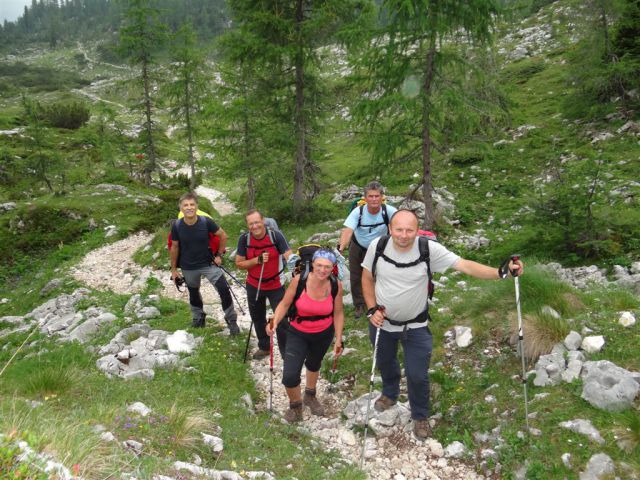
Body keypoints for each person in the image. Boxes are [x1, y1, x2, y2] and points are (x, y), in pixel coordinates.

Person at [361, 209, 523, 439]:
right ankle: (390, 393)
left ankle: (420, 416)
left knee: (418, 375)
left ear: (417, 231)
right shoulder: (377, 246)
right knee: (385, 362)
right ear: (390, 229)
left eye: (409, 230)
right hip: (382, 324)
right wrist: (371, 308)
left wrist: (501, 272)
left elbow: (465, 265)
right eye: (399, 229)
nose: (404, 235)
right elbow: (366, 278)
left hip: (416, 326)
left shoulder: (428, 249)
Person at [266, 249, 345, 422]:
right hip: (298, 332)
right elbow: (284, 304)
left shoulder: (335, 285)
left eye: (327, 267)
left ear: (333, 268)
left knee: (314, 364)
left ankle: (310, 395)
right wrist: (275, 320)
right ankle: (296, 406)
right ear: (312, 264)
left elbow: (338, 313)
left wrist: (338, 339)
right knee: (290, 375)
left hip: (323, 333)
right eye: (319, 265)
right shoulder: (299, 280)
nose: (323, 270)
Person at [170, 192, 240, 334]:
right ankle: (198, 319)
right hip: (188, 266)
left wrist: (219, 255)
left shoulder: (205, 222)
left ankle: (231, 321)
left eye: (192, 204)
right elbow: (174, 246)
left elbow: (223, 235)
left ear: (196, 206)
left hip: (209, 264)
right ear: (181, 208)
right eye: (186, 205)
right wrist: (173, 270)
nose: (189, 207)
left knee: (224, 290)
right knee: (193, 293)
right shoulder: (177, 226)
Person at [235, 209, 292, 359]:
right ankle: (265, 347)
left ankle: (286, 352)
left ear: (263, 221)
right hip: (254, 284)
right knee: (257, 317)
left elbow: (289, 256)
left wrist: (298, 268)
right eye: (251, 223)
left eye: (257, 222)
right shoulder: (244, 240)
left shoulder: (275, 236)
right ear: (248, 225)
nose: (255, 226)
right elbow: (239, 263)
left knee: (282, 318)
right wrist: (256, 260)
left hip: (275, 284)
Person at [337, 181, 397, 318]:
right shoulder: (358, 212)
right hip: (358, 246)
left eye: (377, 196)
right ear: (365, 198)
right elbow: (348, 231)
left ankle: (379, 303)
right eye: (371, 196)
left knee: (380, 275)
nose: (374, 199)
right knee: (356, 276)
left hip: (379, 248)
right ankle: (359, 305)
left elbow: (400, 225)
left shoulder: (389, 211)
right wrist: (340, 248)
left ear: (382, 197)